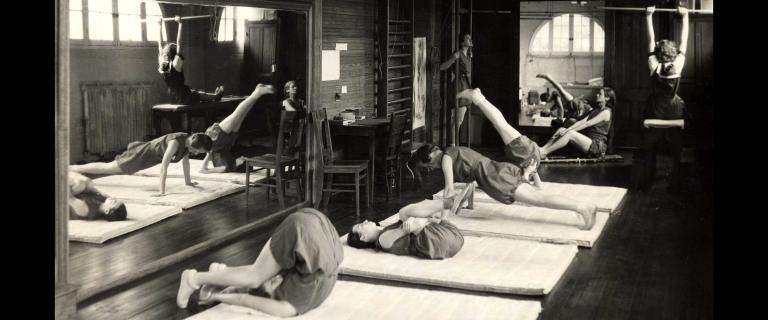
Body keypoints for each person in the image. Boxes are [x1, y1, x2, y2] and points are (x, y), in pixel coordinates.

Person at [175, 207, 344, 317]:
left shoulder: (297, 295)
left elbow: (251, 291)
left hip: (321, 225)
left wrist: (218, 290)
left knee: (260, 273)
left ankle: (214, 274)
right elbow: (242, 298)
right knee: (254, 277)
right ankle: (193, 278)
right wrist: (215, 297)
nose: (270, 282)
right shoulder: (289, 304)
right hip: (306, 232)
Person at [639, 6, 692, 191]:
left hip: (655, 108)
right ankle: (674, 182)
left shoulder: (653, 64)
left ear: (659, 52)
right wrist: (685, 16)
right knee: (676, 146)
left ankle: (648, 181)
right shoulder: (679, 63)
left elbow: (650, 39)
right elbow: (685, 40)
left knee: (650, 146)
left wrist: (648, 15)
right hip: (674, 109)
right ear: (673, 52)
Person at [69, 132, 212, 196]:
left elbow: (185, 165)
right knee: (111, 167)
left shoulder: (187, 144)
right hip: (141, 154)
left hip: (148, 159)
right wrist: (161, 192)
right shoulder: (175, 143)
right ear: (195, 145)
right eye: (198, 151)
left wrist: (188, 183)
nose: (196, 154)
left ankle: (78, 173)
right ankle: (73, 168)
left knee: (117, 170)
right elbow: (164, 167)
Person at [346, 194, 466, 259]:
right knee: (404, 213)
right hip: (441, 241)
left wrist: (416, 218)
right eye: (361, 225)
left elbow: (414, 224)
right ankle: (450, 202)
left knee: (406, 214)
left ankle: (450, 202)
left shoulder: (385, 233)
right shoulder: (383, 240)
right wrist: (414, 218)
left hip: (448, 239)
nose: (365, 220)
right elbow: (415, 225)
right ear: (363, 238)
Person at [201, 84, 277, 173]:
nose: (242, 158)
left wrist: (208, 153)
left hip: (216, 141)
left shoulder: (227, 167)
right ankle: (257, 93)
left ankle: (257, 93)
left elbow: (203, 170)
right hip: (226, 142)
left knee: (237, 114)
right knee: (242, 114)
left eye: (243, 160)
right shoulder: (231, 163)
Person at [157, 16, 224, 105]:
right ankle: (216, 97)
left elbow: (160, 45)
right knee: (197, 94)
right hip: (182, 97)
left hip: (172, 97)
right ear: (173, 54)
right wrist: (180, 24)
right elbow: (179, 43)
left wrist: (159, 25)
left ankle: (214, 96)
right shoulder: (175, 64)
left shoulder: (163, 65)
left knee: (193, 92)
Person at [539, 87, 616, 158]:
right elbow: (582, 121)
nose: (597, 95)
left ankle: (545, 152)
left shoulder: (606, 111)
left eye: (600, 94)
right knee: (562, 129)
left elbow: (587, 124)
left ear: (607, 98)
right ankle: (543, 149)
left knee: (570, 133)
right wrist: (566, 130)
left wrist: (568, 131)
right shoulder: (596, 109)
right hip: (588, 140)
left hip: (596, 145)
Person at [439, 33, 473, 141]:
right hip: (459, 86)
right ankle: (452, 145)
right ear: (462, 42)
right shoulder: (458, 53)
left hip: (466, 85)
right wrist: (454, 58)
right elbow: (443, 66)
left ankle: (453, 144)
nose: (470, 39)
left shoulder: (469, 55)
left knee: (459, 119)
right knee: (457, 120)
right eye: (467, 38)